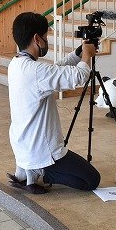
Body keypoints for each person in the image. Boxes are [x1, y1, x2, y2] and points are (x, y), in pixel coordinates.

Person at [7, 12, 101, 194]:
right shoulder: (35, 71)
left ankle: (30, 170)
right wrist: (87, 57)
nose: (46, 40)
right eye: (45, 36)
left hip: (24, 145)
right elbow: (79, 76)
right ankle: (42, 171)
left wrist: (78, 54)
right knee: (91, 180)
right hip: (41, 151)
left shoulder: (17, 64)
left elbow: (54, 70)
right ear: (37, 39)